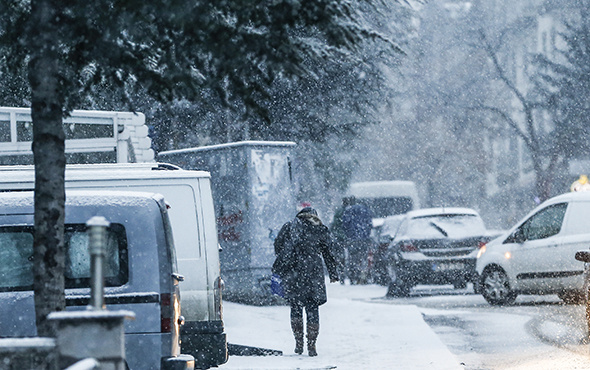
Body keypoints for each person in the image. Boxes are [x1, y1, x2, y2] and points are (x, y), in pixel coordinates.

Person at [272, 206, 340, 357]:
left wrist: (286, 260)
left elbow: (278, 246)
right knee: (312, 307)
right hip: (313, 271)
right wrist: (333, 273)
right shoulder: (320, 229)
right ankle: (312, 345)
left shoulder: (289, 226)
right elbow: (328, 252)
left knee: (296, 307)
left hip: (294, 271)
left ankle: (298, 343)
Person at [341, 198, 373, 284]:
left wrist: (348, 234)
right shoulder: (366, 211)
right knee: (363, 258)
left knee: (352, 258)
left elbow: (344, 224)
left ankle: (352, 276)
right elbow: (370, 224)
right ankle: (362, 276)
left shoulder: (349, 210)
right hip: (364, 239)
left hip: (352, 239)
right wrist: (366, 234)